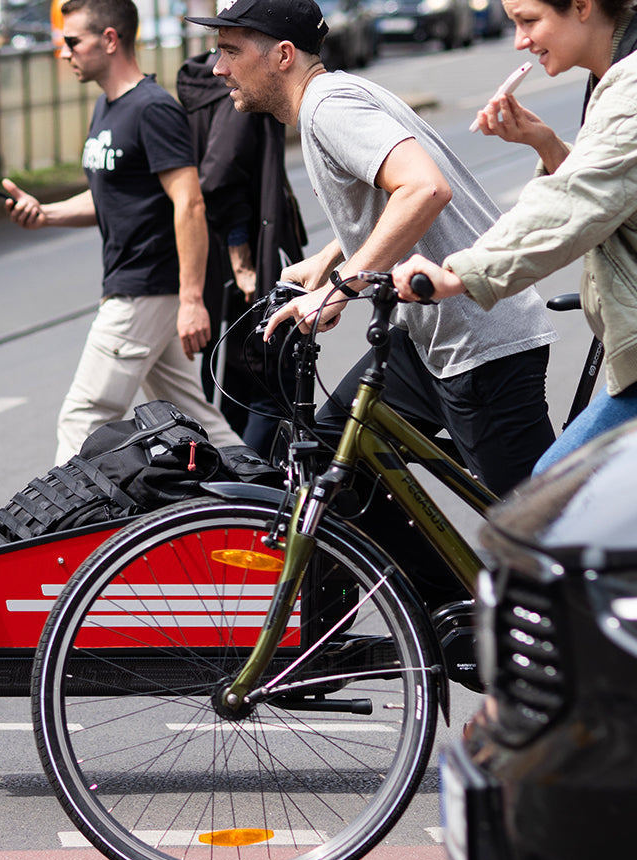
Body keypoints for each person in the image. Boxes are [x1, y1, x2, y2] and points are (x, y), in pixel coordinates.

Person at [185, 0, 558, 605]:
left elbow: (425, 187)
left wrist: (345, 285)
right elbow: (386, 188)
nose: (217, 68)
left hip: (480, 343)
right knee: (329, 454)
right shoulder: (337, 96)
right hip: (431, 342)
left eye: (229, 51)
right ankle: (441, 610)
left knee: (544, 538)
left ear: (281, 56)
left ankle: (570, 647)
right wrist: (332, 257)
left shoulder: (330, 109)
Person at [394, 0, 637, 477]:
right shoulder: (614, 71)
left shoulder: (630, 89)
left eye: (529, 21)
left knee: (554, 500)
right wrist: (545, 143)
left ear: (583, 7)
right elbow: (613, 192)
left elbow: (571, 204)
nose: (519, 41)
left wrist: (453, 274)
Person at [0, 0, 244, 465]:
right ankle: (266, 497)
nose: (64, 53)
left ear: (110, 40)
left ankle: (62, 528)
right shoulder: (106, 108)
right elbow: (111, 194)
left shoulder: (153, 109)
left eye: (73, 42)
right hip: (141, 288)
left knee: (84, 415)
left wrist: (192, 299)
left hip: (143, 287)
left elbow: (189, 201)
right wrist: (45, 213)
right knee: (192, 419)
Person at [176, 48, 306, 458]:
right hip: (252, 258)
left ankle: (243, 486)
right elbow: (219, 177)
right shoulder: (241, 85)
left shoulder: (201, 81)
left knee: (239, 383)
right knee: (273, 382)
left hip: (222, 265)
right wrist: (242, 257)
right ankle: (249, 483)